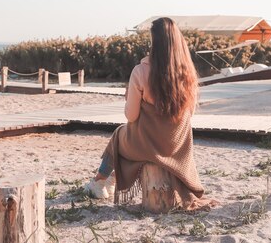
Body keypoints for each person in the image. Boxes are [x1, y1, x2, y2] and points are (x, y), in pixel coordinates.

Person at [84, 17, 216, 210]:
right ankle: (110, 179)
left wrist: (129, 97)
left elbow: (131, 116)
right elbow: (190, 113)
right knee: (126, 135)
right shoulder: (187, 73)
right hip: (176, 147)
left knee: (119, 134)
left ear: (154, 42)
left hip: (149, 145)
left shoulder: (141, 71)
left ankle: (99, 182)